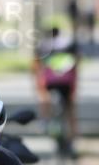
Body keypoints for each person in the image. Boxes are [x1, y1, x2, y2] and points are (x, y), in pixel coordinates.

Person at [33, 25, 80, 155]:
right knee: (70, 110)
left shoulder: (43, 45)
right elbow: (76, 63)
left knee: (44, 100)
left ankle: (44, 120)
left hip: (50, 82)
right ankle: (73, 139)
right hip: (67, 82)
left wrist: (38, 84)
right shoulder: (68, 44)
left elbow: (37, 66)